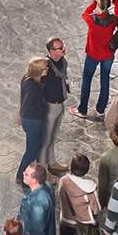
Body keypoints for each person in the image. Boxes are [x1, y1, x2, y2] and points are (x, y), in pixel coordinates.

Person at [76, 0, 118, 116]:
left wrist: (94, 1)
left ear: (98, 5)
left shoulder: (91, 19)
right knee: (105, 80)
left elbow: (84, 13)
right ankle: (100, 110)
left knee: (87, 80)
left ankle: (82, 110)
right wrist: (116, 0)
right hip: (108, 55)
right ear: (108, 5)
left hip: (93, 55)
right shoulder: (113, 19)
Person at [54, 154, 101, 235]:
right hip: (83, 225)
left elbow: (59, 194)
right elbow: (96, 209)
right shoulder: (90, 187)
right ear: (86, 170)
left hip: (66, 221)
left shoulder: (63, 180)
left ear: (71, 167)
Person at [15, 58, 50, 185]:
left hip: (31, 120)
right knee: (32, 150)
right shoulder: (33, 87)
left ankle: (31, 172)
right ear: (38, 71)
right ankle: (22, 176)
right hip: (33, 121)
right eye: (45, 68)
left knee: (34, 148)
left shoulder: (28, 78)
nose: (48, 69)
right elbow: (27, 104)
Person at [40, 38, 69, 174]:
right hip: (49, 106)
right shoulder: (45, 66)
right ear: (51, 51)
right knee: (45, 140)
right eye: (59, 48)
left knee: (53, 136)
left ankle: (52, 162)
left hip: (60, 103)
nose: (63, 49)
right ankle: (42, 171)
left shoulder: (62, 62)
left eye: (63, 46)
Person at [19, 162, 57, 235]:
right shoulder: (47, 186)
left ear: (34, 180)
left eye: (26, 174)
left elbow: (38, 232)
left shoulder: (37, 204)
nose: (23, 173)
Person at [96, 121, 118, 216]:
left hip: (114, 198)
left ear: (111, 138)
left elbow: (103, 184)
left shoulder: (106, 157)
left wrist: (101, 203)